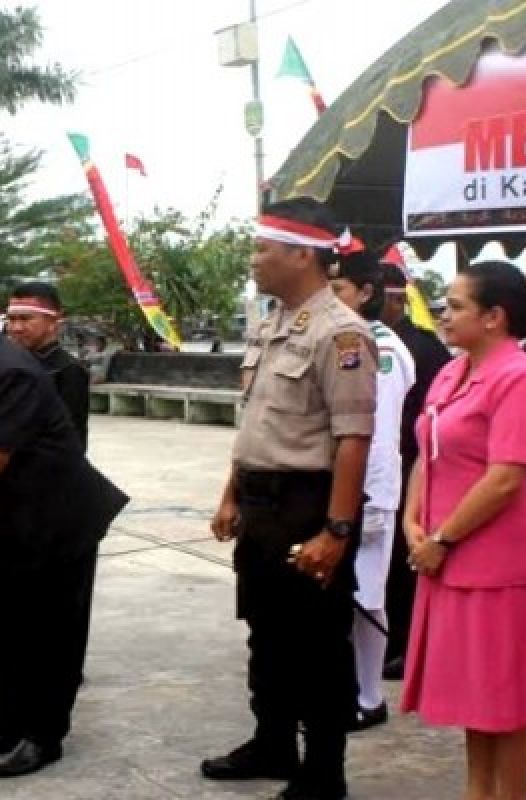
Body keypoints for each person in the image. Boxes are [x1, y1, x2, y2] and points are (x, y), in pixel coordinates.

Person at [0, 276, 128, 779]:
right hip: (1, 522)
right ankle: (8, 725)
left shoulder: (9, 371)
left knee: (50, 635)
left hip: (54, 522)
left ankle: (45, 736)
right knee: (5, 631)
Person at [202, 199, 376, 800]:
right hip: (260, 503)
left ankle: (324, 771)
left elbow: (353, 440)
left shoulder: (341, 332)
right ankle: (272, 741)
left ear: (302, 254)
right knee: (266, 631)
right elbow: (253, 424)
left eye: (261, 248)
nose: (252, 260)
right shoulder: (271, 323)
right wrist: (230, 495)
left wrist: (337, 529)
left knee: (318, 645)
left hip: (309, 502)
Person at [401, 261, 526, 800]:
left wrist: (441, 539)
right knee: (477, 692)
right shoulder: (452, 371)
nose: (445, 314)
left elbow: (506, 477)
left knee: (507, 696)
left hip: (501, 561)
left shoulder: (521, 376)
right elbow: (429, 452)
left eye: (457, 305)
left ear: (494, 317)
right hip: (448, 555)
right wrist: (412, 519)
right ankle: (477, 791)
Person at [327, 241, 415, 731]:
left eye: (337, 288)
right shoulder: (346, 339)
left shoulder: (381, 349)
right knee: (344, 595)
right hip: (343, 487)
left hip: (369, 491)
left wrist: (361, 494)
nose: (330, 297)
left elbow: (376, 435)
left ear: (364, 293)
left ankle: (368, 695)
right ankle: (348, 688)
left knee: (367, 595)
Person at [377, 254, 452, 681]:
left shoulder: (422, 346)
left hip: (412, 462)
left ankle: (406, 644)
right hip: (376, 463)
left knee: (405, 559)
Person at [4, 282, 90, 448]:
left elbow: (71, 438)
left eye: (25, 319)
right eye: (11, 319)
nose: (16, 328)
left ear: (53, 322)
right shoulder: (7, 364)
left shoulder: (67, 370)